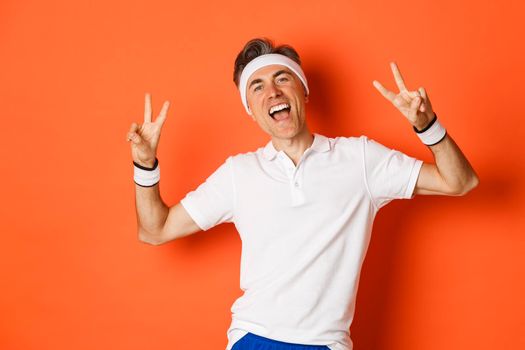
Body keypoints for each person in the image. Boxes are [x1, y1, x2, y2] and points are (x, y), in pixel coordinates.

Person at [126, 38, 479, 350]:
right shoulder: (239, 173)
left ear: (304, 91)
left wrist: (427, 125)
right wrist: (145, 164)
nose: (273, 92)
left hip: (326, 343)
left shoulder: (360, 158)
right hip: (253, 338)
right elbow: (155, 230)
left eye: (282, 78)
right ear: (251, 109)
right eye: (258, 87)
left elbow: (459, 182)